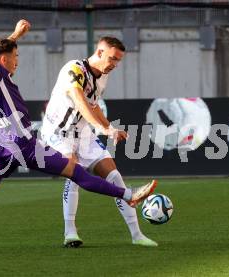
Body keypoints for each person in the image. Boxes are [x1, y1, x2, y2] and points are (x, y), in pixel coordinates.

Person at [0, 17, 157, 254]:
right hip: (24, 144)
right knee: (76, 172)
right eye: (15, 57)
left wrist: (16, 35)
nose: (17, 60)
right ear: (3, 59)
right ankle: (128, 194)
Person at [41, 37, 158, 247]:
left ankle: (137, 236)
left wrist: (109, 127)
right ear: (100, 52)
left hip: (83, 133)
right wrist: (102, 128)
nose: (114, 64)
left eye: (118, 61)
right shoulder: (74, 69)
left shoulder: (102, 77)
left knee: (115, 177)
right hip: (58, 133)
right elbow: (78, 100)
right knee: (74, 174)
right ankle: (70, 233)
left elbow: (93, 106)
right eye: (112, 58)